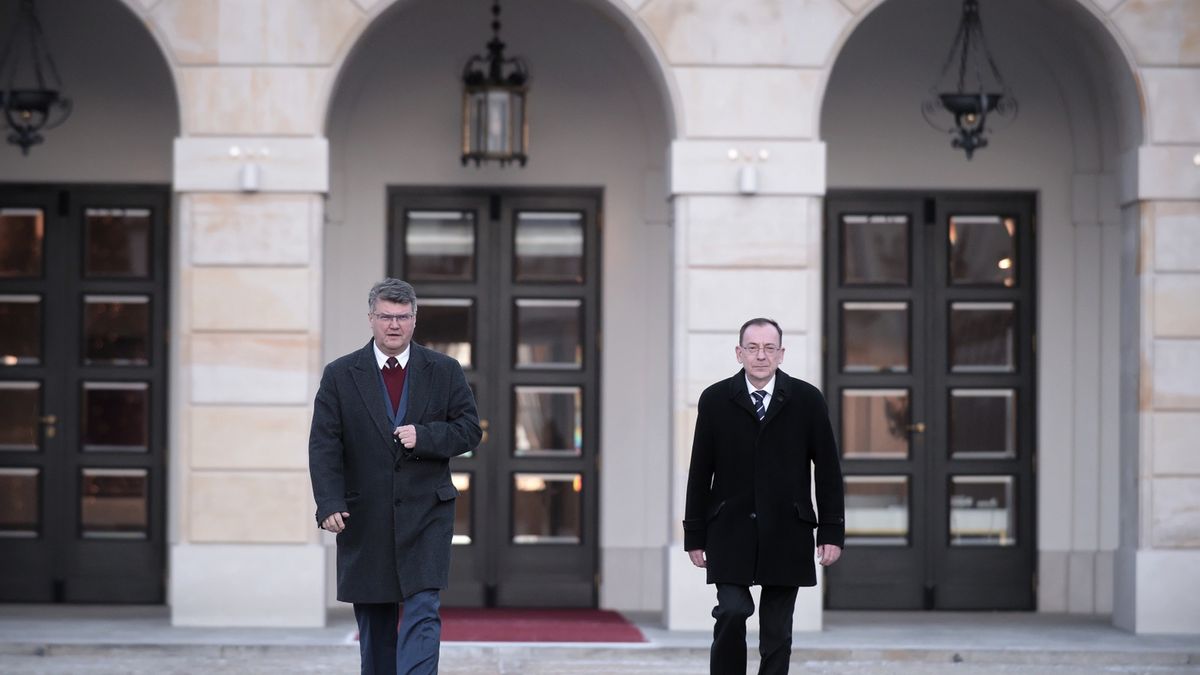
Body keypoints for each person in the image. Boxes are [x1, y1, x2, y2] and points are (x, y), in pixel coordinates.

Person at [309, 278, 481, 675]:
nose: (394, 325)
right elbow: (324, 444)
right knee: (375, 624)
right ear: (371, 318)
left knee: (423, 612)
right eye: (385, 316)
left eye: (402, 317)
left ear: (414, 320)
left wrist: (426, 435)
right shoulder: (339, 375)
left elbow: (470, 429)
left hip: (426, 514)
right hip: (364, 515)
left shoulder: (444, 370)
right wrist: (330, 503)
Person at [683, 317, 845, 675]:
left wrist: (831, 532)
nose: (761, 355)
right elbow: (699, 472)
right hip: (729, 530)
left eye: (769, 348)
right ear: (739, 353)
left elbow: (829, 471)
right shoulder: (715, 400)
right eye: (752, 348)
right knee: (732, 610)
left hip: (788, 530)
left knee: (777, 632)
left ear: (781, 354)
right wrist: (693, 535)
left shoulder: (807, 400)